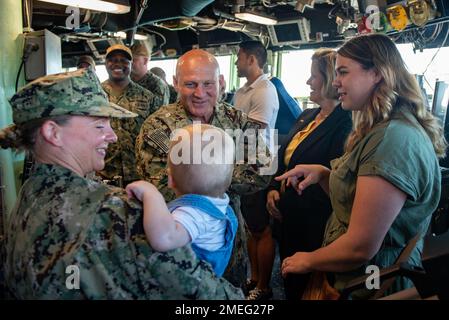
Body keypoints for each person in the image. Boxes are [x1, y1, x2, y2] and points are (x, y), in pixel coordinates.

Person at [0, 68, 243, 299]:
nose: (112, 135)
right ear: (53, 133)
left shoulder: (26, 199)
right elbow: (202, 292)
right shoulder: (116, 213)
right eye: (99, 125)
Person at [277, 34, 447, 299]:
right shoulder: (381, 130)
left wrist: (308, 260)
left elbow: (360, 246)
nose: (336, 82)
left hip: (372, 281)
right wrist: (324, 175)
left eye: (343, 72)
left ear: (377, 74)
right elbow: (362, 199)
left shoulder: (393, 140)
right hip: (360, 276)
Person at [135, 49, 271, 288]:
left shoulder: (235, 120)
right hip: (181, 248)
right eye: (190, 84)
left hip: (230, 247)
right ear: (176, 83)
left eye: (208, 84)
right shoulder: (159, 127)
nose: (200, 93)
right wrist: (222, 175)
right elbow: (159, 185)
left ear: (220, 82)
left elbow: (262, 169)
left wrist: (200, 176)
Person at [266, 48, 352, 300]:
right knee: (290, 282)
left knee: (307, 289)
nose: (308, 82)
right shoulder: (307, 116)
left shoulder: (345, 125)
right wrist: (273, 187)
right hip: (289, 219)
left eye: (313, 76)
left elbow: (338, 181)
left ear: (329, 80)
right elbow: (286, 158)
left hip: (314, 225)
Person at [127, 124, 237, 277]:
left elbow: (164, 239)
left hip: (186, 285)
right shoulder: (220, 205)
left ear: (170, 180)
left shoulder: (194, 213)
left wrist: (152, 195)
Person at [233, 40, 279, 300]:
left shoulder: (264, 90)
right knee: (251, 228)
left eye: (239, 57)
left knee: (261, 229)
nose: (237, 61)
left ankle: (264, 286)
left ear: (251, 59)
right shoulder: (243, 90)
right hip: (243, 165)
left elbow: (255, 130)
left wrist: (222, 135)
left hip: (258, 167)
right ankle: (253, 279)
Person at [99, 44, 158, 186]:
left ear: (131, 64)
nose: (118, 64)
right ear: (106, 63)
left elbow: (157, 132)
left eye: (124, 60)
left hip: (139, 173)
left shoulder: (147, 96)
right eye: (112, 60)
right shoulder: (94, 95)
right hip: (103, 172)